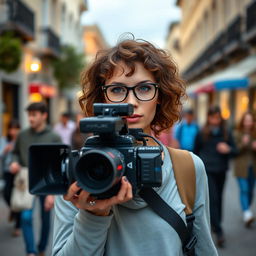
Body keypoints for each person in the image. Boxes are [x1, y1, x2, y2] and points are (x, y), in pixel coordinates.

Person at [52, 37, 218, 256]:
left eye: (145, 88)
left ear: (160, 95)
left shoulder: (188, 167)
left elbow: (203, 249)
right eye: (117, 90)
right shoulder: (77, 172)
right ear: (102, 96)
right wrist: (93, 216)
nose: (130, 102)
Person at [9, 102, 62, 256]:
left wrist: (52, 193)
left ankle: (41, 249)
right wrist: (14, 161)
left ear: (44, 115)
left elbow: (59, 165)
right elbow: (15, 152)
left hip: (47, 181)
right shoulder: (22, 135)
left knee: (45, 219)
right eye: (29, 115)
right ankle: (31, 251)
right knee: (26, 217)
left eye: (34, 115)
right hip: (26, 180)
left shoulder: (54, 137)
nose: (30, 118)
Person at [194, 106, 236, 248]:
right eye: (213, 117)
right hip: (208, 171)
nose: (215, 120)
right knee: (212, 200)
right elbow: (195, 151)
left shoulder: (226, 132)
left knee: (219, 199)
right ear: (208, 117)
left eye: (217, 117)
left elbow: (235, 150)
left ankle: (216, 224)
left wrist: (228, 149)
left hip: (221, 170)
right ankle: (219, 231)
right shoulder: (202, 133)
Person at [233, 112, 256, 227]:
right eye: (246, 120)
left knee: (251, 191)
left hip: (253, 168)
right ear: (243, 121)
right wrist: (243, 143)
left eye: (250, 120)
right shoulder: (237, 133)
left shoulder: (254, 133)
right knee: (244, 189)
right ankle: (247, 213)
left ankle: (246, 210)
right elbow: (234, 150)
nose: (248, 123)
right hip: (241, 168)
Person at [0, 119, 21, 237]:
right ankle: (13, 210)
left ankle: (18, 226)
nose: (13, 131)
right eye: (11, 129)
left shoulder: (21, 139)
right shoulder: (4, 140)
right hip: (7, 172)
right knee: (6, 194)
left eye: (16, 129)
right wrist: (5, 150)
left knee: (17, 198)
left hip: (18, 172)